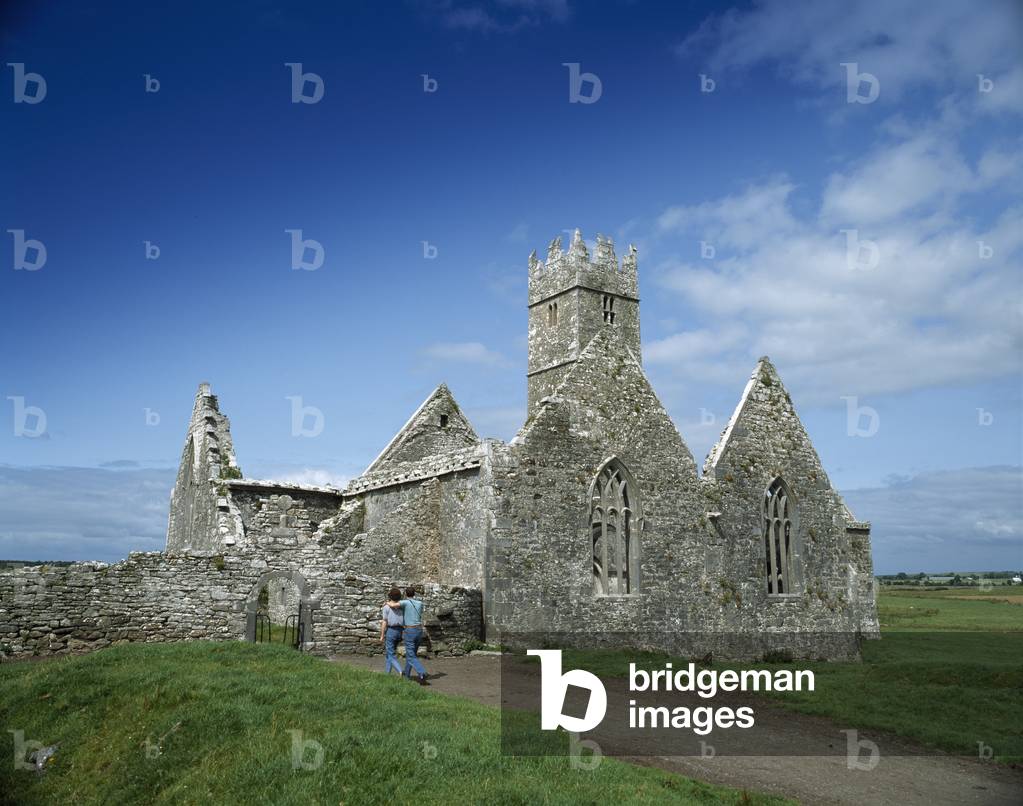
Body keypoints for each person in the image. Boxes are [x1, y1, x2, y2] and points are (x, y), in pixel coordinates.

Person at [398, 586, 429, 685]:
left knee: (410, 654)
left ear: (406, 594)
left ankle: (422, 672)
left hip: (410, 630)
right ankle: (406, 675)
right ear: (414, 594)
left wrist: (387, 602)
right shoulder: (420, 603)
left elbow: (394, 605)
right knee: (411, 654)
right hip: (419, 630)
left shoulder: (405, 603)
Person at [379, 587, 404, 675]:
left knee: (391, 654)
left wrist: (382, 635)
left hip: (391, 631)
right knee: (389, 654)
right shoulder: (402, 606)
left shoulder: (386, 607)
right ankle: (387, 674)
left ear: (390, 597)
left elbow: (384, 622)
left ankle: (400, 670)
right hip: (400, 631)